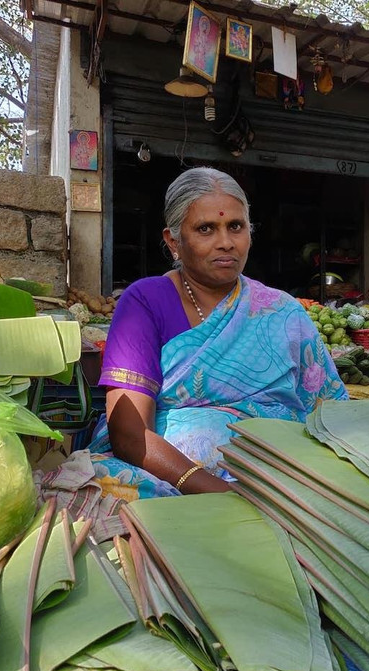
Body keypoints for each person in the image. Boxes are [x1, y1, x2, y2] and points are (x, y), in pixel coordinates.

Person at [89, 167, 347, 501]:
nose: (225, 242)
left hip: (281, 479)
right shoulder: (145, 303)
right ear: (174, 242)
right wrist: (220, 492)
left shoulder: (283, 312)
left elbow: (330, 412)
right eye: (206, 228)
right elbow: (129, 433)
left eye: (235, 227)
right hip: (176, 481)